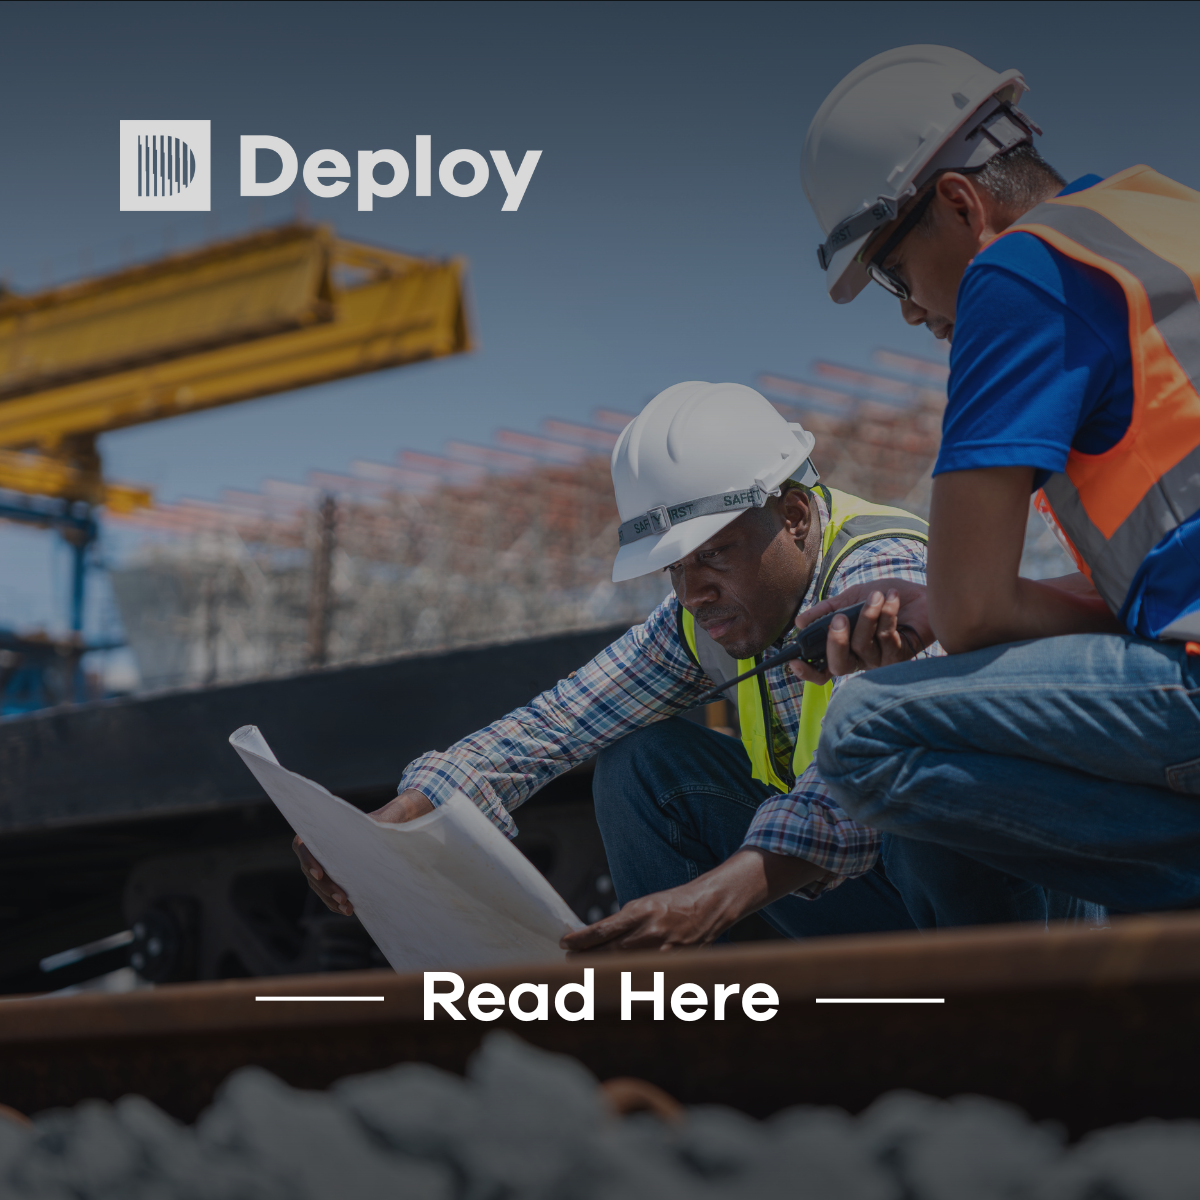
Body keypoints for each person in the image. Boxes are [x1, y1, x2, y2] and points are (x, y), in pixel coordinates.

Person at [296, 381, 1099, 947]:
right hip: (869, 900)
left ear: (792, 517)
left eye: (712, 555)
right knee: (641, 763)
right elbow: (562, 721)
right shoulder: (707, 612)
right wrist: (402, 815)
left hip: (999, 911)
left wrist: (722, 891)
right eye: (674, 569)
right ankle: (695, 1045)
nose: (692, 589)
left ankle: (1000, 1027)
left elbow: (866, 771)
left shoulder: (882, 573)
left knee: (920, 799)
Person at [794, 44, 1200, 915]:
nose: (907, 308)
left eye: (895, 272)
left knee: (866, 732)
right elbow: (1156, 591)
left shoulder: (1020, 269)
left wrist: (956, 600)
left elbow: (977, 616)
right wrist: (945, 602)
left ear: (960, 202)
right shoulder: (1159, 220)